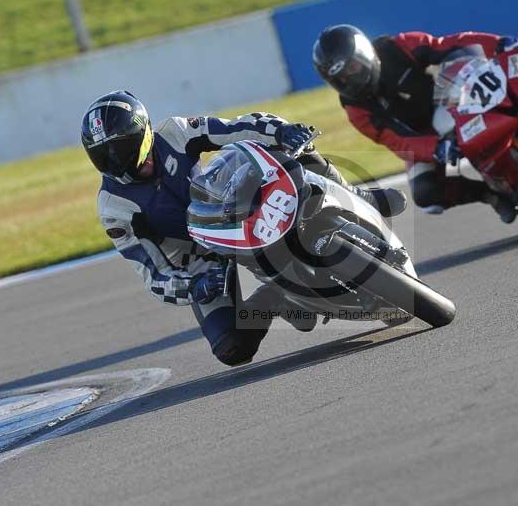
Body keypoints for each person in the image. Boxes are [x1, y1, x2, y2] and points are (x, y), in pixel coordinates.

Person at [80, 90, 405, 367]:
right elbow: (154, 275)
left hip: (227, 201)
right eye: (104, 156)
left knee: (292, 147)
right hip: (201, 258)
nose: (116, 161)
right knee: (232, 348)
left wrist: (281, 132)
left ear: (144, 134)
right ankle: (274, 298)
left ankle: (356, 195)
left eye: (122, 148)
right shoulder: (113, 208)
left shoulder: (175, 132)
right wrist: (193, 285)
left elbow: (235, 128)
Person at [313, 24, 518, 222]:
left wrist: (497, 44)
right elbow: (398, 141)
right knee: (426, 193)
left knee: (492, 100)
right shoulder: (355, 109)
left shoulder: (396, 47)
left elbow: (449, 45)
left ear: (363, 54)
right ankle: (491, 195)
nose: (350, 80)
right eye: (341, 79)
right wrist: (436, 148)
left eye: (352, 68)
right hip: (421, 136)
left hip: (450, 101)